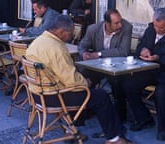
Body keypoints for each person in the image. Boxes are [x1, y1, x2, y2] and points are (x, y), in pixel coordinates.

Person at [26, 14, 133, 144]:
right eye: (70, 33)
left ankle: (72, 131)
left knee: (83, 88)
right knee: (101, 96)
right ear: (61, 32)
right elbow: (72, 81)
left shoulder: (38, 41)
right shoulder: (56, 48)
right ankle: (114, 138)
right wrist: (85, 82)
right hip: (53, 96)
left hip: (37, 94)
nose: (71, 37)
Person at [122, 8, 165, 141]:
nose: (157, 29)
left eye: (161, 27)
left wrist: (159, 58)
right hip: (150, 70)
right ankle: (145, 119)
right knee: (128, 85)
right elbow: (139, 46)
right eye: (155, 25)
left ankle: (162, 129)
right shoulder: (150, 29)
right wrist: (143, 50)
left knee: (160, 92)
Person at [78, 8, 132, 121]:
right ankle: (84, 110)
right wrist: (84, 54)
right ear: (107, 23)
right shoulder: (93, 29)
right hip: (98, 66)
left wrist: (99, 54)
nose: (120, 25)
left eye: (120, 21)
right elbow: (82, 45)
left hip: (118, 66)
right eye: (116, 23)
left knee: (118, 82)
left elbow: (123, 51)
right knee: (82, 76)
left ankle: (120, 117)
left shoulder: (127, 27)